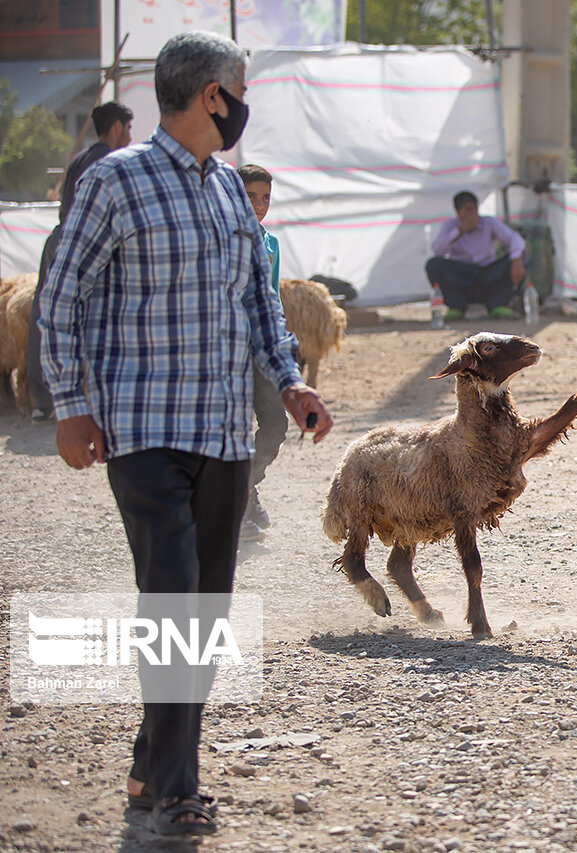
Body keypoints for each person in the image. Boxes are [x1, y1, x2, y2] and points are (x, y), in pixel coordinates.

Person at [38, 31, 333, 836]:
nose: (243, 106)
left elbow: (256, 303)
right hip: (143, 432)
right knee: (173, 600)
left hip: (224, 435)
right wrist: (69, 403)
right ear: (214, 95)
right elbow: (60, 297)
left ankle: (148, 763)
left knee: (204, 610)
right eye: (240, 91)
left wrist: (291, 378)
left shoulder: (230, 192)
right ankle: (176, 787)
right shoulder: (115, 183)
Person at [26, 100, 134, 421]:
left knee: (46, 313)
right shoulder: (112, 161)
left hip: (59, 238)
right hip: (88, 243)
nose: (130, 136)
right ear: (116, 127)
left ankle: (42, 399)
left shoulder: (79, 159)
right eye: (127, 129)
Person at [235, 164, 290, 542]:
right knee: (233, 431)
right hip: (226, 351)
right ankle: (233, 512)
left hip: (261, 350)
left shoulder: (270, 244)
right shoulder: (222, 240)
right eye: (250, 196)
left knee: (275, 425)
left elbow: (272, 299)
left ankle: (244, 488)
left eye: (265, 197)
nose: (259, 204)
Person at [425, 190, 527, 320]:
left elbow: (514, 238)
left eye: (474, 209)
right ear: (458, 211)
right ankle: (456, 306)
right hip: (461, 275)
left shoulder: (488, 223)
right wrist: (460, 231)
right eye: (467, 209)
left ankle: (498, 304)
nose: (472, 213)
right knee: (434, 265)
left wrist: (517, 260)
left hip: (486, 274)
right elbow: (438, 250)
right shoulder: (450, 226)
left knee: (521, 257)